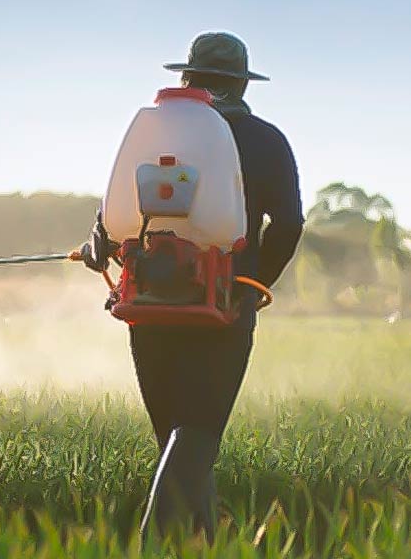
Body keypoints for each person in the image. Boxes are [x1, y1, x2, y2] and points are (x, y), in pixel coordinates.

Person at [81, 32, 304, 540]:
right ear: (242, 84)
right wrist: (251, 283)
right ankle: (154, 546)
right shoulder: (265, 139)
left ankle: (200, 545)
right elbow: (289, 225)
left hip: (148, 306)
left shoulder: (154, 133)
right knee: (198, 436)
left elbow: (111, 214)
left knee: (175, 440)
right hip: (222, 307)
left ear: (185, 77)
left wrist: (99, 249)